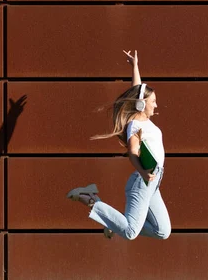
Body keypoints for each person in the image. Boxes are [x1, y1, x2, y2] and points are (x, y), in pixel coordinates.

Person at [67, 50, 171, 240]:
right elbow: (132, 152)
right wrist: (142, 172)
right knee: (131, 233)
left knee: (162, 231)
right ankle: (90, 199)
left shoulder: (145, 121)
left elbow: (137, 89)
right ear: (142, 104)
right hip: (143, 180)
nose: (156, 106)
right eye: (153, 102)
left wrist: (135, 66)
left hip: (153, 181)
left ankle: (114, 222)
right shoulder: (135, 125)